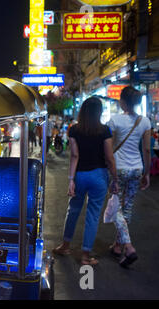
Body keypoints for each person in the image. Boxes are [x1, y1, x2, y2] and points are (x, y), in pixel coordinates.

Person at [53, 97, 118, 265]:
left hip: (80, 175)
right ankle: (85, 256)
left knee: (73, 210)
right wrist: (115, 179)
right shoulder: (105, 130)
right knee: (92, 216)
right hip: (99, 176)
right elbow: (109, 157)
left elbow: (75, 156)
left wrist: (71, 180)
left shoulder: (74, 130)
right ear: (99, 112)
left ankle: (65, 246)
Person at [107, 86, 151, 268]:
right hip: (136, 168)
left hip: (119, 168)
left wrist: (110, 171)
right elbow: (147, 149)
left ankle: (128, 246)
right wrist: (146, 173)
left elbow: (111, 147)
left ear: (122, 101)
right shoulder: (145, 121)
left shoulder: (115, 120)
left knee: (113, 209)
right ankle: (117, 246)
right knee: (127, 208)